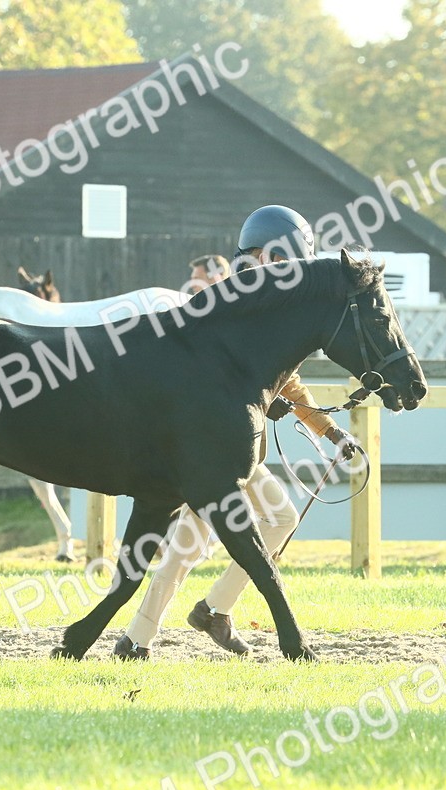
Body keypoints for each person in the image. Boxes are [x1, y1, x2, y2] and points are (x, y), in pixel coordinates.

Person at [114, 205, 357, 660]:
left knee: (208, 540)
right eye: (287, 261)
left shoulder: (271, 305)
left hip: (237, 455)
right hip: (209, 451)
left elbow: (287, 382)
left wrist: (331, 433)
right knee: (203, 541)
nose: (292, 272)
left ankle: (173, 627)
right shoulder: (232, 302)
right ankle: (188, 621)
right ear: (265, 255)